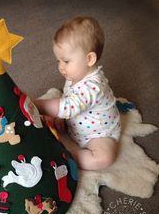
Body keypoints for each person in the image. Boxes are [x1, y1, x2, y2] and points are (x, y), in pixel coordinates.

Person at [33, 16, 121, 170]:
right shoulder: (76, 74)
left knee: (104, 158)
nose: (61, 67)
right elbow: (69, 98)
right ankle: (66, 126)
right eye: (58, 61)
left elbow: (68, 107)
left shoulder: (93, 86)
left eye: (66, 61)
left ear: (89, 59)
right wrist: (63, 119)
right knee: (51, 122)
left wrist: (35, 104)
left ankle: (66, 157)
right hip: (77, 123)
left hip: (98, 133)